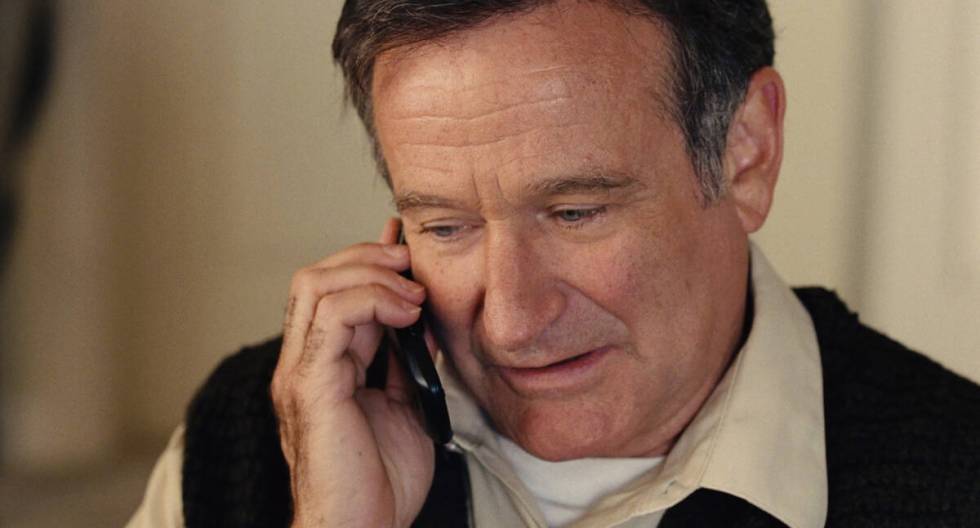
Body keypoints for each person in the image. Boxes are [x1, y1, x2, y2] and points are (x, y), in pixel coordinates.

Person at [129, 1, 980, 526]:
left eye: (576, 213)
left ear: (746, 153)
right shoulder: (249, 442)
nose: (509, 324)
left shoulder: (958, 477)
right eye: (447, 227)